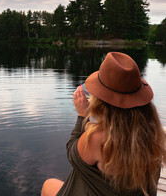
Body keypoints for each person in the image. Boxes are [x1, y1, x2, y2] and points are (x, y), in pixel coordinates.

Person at [41, 52, 166, 196]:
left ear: (103, 101)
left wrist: (83, 116)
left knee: (48, 185)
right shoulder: (154, 135)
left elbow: (73, 154)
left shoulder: (98, 138)